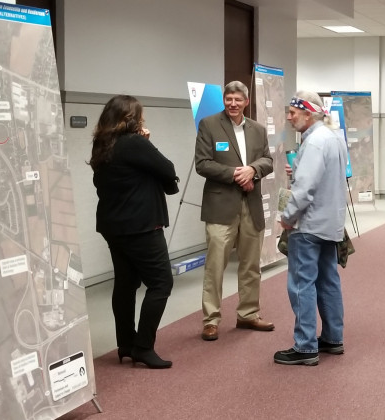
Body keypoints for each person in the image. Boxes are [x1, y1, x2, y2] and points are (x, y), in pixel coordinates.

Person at [90, 95, 179, 369]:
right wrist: (146, 141)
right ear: (131, 119)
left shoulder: (102, 144)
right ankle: (143, 347)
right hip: (141, 226)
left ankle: (126, 344)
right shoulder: (135, 143)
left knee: (126, 284)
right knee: (162, 283)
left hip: (113, 226)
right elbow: (168, 169)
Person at [194, 81, 274, 341]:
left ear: (246, 102)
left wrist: (254, 169)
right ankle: (211, 320)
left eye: (238, 99)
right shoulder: (208, 124)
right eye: (228, 99)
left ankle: (248, 314)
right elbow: (203, 164)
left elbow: (268, 160)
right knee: (215, 266)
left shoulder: (258, 130)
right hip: (220, 206)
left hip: (251, 205)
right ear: (224, 100)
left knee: (251, 265)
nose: (232, 103)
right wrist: (237, 174)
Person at [275, 91, 348, 366]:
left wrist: (287, 216)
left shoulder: (314, 142)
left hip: (308, 226)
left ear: (309, 113)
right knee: (328, 281)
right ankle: (332, 338)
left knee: (301, 283)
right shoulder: (333, 138)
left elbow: (304, 191)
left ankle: (305, 346)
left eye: (294, 112)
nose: (289, 116)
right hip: (330, 224)